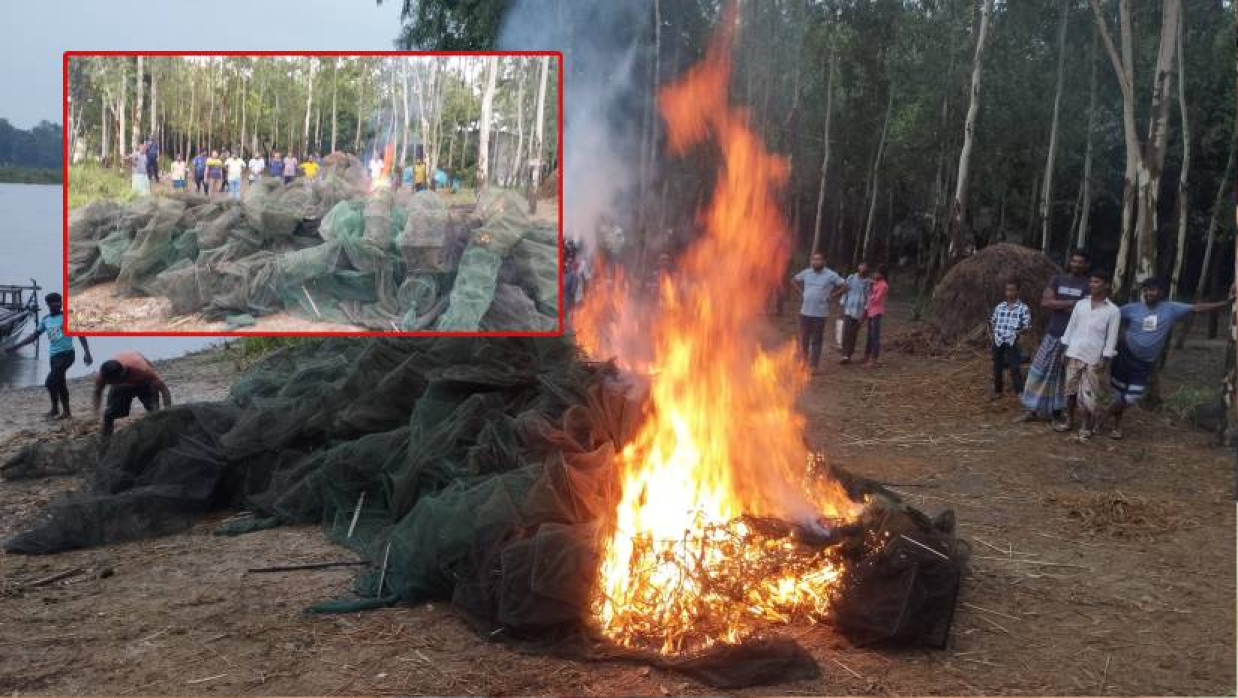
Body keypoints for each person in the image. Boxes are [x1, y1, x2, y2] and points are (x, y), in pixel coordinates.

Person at [1105, 277, 1236, 439]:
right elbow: (1110, 315)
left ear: (1161, 292)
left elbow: (1197, 308)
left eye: (1152, 290)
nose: (1148, 293)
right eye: (1145, 290)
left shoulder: (1171, 308)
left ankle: (1102, 418)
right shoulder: (1132, 308)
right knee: (1118, 395)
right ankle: (1116, 427)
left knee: (1131, 397)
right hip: (1124, 357)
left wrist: (1226, 303)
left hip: (1145, 363)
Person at [1018, 249, 1091, 422]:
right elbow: (1046, 302)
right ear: (1070, 262)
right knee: (1039, 370)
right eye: (1074, 261)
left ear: (1086, 265)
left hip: (1075, 338)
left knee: (1063, 375)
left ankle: (1056, 411)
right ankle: (1032, 409)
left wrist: (1059, 304)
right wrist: (1073, 303)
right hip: (1054, 333)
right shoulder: (1057, 279)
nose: (1076, 265)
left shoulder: (1088, 284)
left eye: (1081, 262)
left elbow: (1086, 309)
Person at [5, 293, 93, 419]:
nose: (58, 304)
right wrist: (15, 347)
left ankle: (59, 409)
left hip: (67, 355)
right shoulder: (46, 320)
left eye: (59, 302)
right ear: (48, 304)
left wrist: (87, 353)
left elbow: (81, 336)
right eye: (54, 302)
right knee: (60, 382)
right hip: (54, 356)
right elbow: (34, 336)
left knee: (50, 382)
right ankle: (61, 411)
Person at [1055, 270, 1120, 441]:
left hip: (1094, 357)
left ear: (1106, 285)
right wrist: (1065, 348)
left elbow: (1111, 337)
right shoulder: (1081, 305)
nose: (1092, 285)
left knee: (1088, 394)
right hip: (1074, 352)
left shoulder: (1113, 311)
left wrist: (1105, 359)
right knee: (1070, 390)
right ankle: (1068, 420)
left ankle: (1085, 425)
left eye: (1097, 281)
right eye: (1091, 281)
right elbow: (1071, 327)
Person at [92, 351, 172, 438]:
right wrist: (96, 414)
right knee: (109, 414)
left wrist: (167, 411)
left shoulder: (142, 369)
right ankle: (105, 441)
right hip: (121, 388)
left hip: (143, 382)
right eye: (109, 383)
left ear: (121, 375)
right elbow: (97, 392)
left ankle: (159, 434)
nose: (108, 383)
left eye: (112, 382)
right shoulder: (103, 376)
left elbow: (164, 389)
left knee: (154, 410)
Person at [791, 252, 846, 373]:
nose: (816, 262)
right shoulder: (807, 272)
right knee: (804, 339)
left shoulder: (830, 274)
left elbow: (844, 285)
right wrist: (801, 293)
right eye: (814, 260)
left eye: (818, 259)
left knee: (816, 340)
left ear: (824, 261)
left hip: (820, 314)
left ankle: (814, 366)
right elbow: (793, 280)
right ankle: (803, 363)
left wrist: (832, 296)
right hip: (805, 312)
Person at [989, 280, 1032, 400]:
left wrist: (1017, 333)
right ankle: (998, 391)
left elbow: (1027, 326)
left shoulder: (1023, 308)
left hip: (1012, 340)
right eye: (1007, 290)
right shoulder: (1000, 306)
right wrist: (995, 333)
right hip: (998, 340)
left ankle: (1019, 391)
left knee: (1014, 366)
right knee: (997, 366)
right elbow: (993, 321)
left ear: (1018, 291)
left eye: (1012, 290)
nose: (1010, 292)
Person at [839, 262, 872, 364]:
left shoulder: (868, 282)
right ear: (858, 267)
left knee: (853, 334)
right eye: (861, 266)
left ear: (867, 269)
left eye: (865, 267)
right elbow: (845, 292)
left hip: (860, 312)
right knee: (846, 333)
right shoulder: (851, 278)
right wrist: (842, 307)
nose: (863, 269)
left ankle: (849, 354)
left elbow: (869, 298)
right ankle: (844, 355)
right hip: (849, 310)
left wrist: (865, 313)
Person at [863, 266, 889, 367]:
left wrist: (870, 294)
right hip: (871, 311)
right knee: (870, 335)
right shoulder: (875, 283)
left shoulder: (883, 285)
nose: (874, 275)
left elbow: (876, 299)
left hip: (876, 312)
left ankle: (874, 358)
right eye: (874, 273)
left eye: (877, 273)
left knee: (875, 336)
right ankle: (867, 356)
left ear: (882, 274)